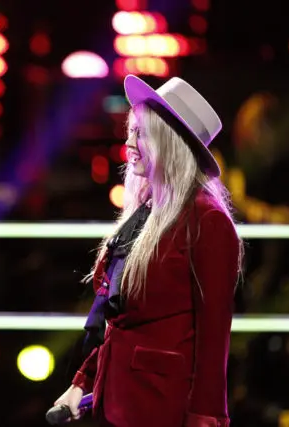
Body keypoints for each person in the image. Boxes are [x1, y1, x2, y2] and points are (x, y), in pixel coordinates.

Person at [54, 75, 243, 427]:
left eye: (140, 132)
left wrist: (206, 418)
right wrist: (82, 382)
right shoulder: (145, 211)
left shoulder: (207, 221)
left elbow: (214, 338)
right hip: (116, 403)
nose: (128, 141)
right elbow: (117, 318)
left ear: (168, 141)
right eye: (130, 130)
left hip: (162, 409)